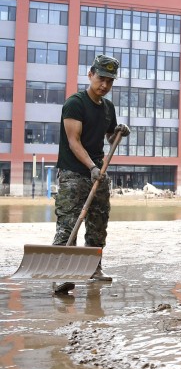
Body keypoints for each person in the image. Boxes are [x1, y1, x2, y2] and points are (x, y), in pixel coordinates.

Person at [52, 54, 131, 294]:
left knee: (98, 223)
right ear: (90, 75)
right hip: (74, 173)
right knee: (68, 224)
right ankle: (60, 274)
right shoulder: (75, 103)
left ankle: (93, 268)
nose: (105, 85)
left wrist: (117, 132)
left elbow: (108, 136)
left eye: (110, 81)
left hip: (98, 172)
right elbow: (74, 142)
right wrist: (91, 167)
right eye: (101, 78)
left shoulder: (108, 107)